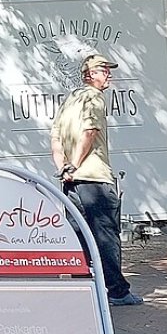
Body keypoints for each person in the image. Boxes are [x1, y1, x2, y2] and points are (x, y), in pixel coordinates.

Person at [51, 52, 142, 306]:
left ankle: (84, 285)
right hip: (93, 176)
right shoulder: (94, 98)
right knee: (105, 234)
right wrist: (76, 164)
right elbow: (90, 132)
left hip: (71, 181)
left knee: (79, 234)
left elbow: (55, 137)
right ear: (90, 75)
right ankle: (118, 291)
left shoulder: (70, 99)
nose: (108, 74)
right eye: (103, 69)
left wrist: (64, 168)